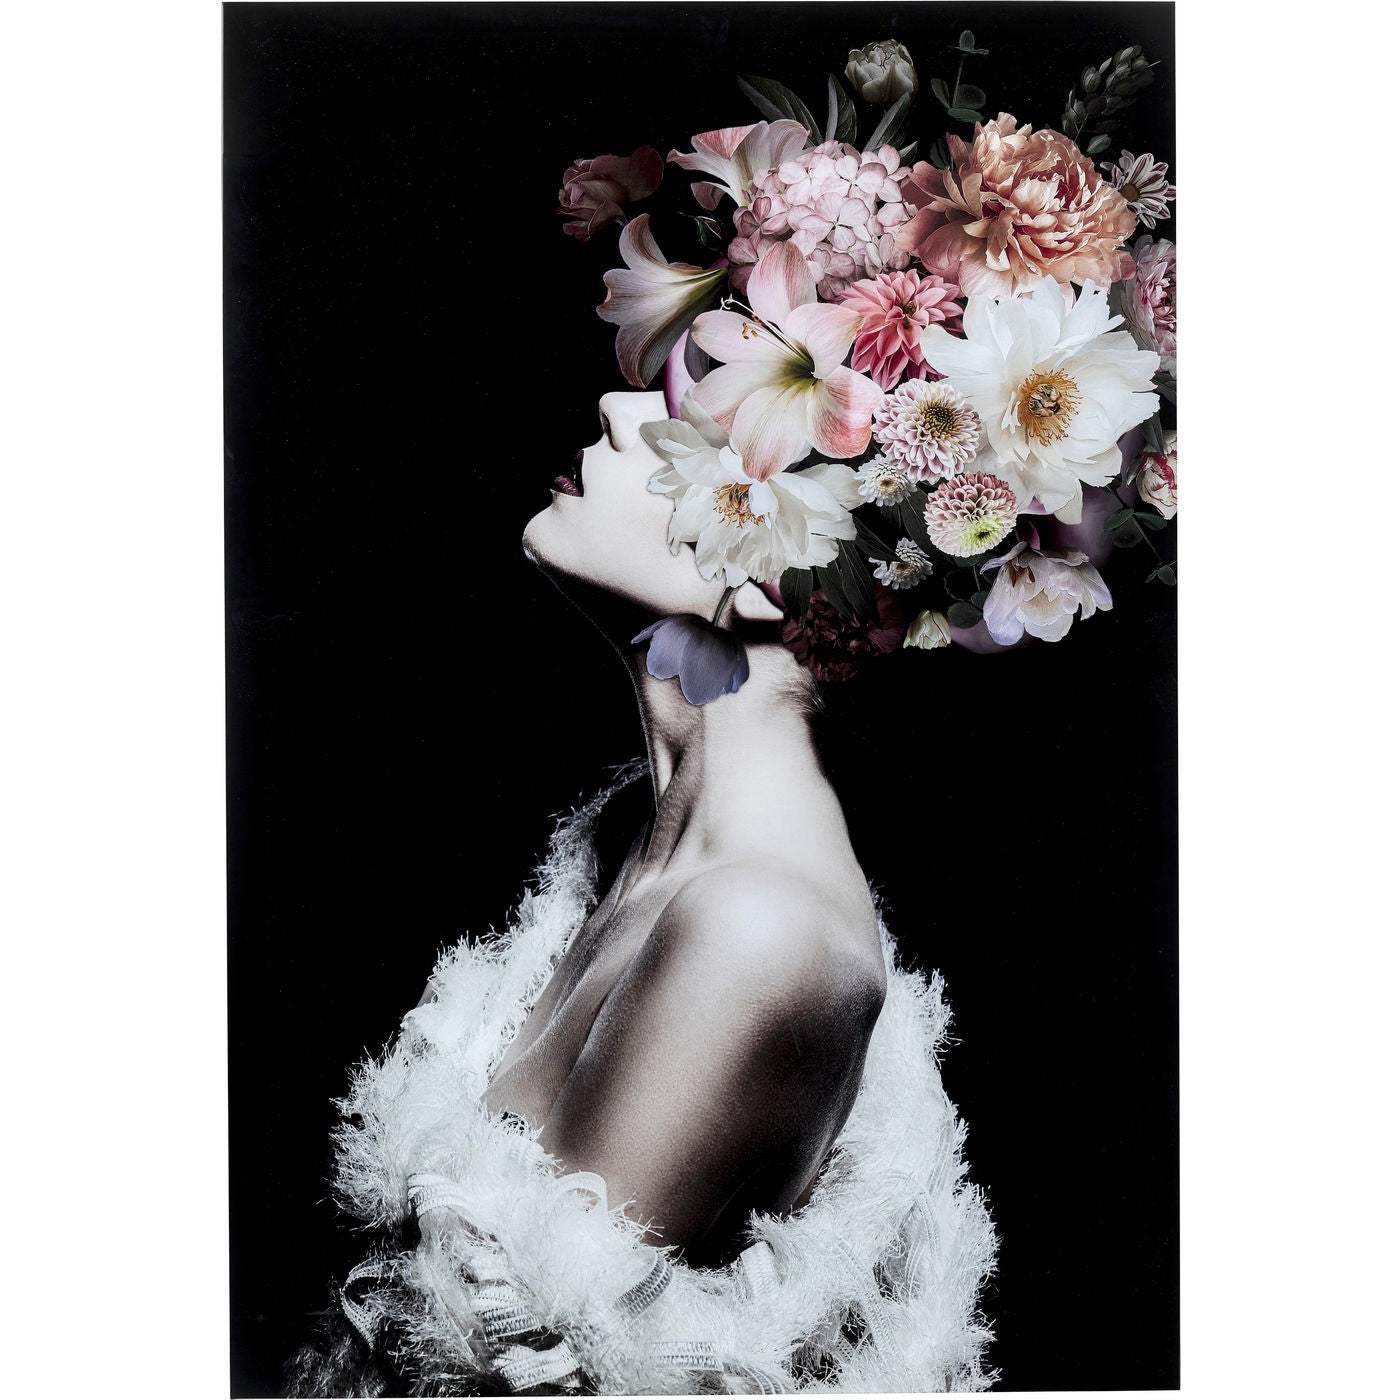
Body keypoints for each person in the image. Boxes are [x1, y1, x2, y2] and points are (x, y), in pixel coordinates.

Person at [289, 391, 997, 1396]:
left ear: (773, 582)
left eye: (694, 407)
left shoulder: (759, 931)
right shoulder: (639, 854)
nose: (619, 407)